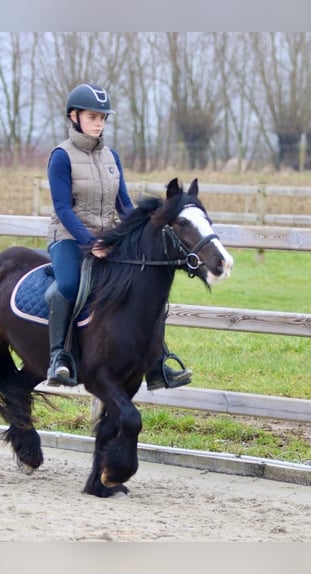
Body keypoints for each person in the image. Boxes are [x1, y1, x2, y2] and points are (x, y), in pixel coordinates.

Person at [45, 82, 192, 390]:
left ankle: (156, 363)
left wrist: (142, 232)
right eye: (92, 117)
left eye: (102, 118)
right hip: (69, 238)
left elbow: (124, 203)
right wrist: (89, 242)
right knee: (69, 286)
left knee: (145, 289)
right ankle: (59, 356)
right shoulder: (61, 156)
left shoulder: (111, 157)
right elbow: (62, 206)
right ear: (74, 116)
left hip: (109, 237)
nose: (98, 123)